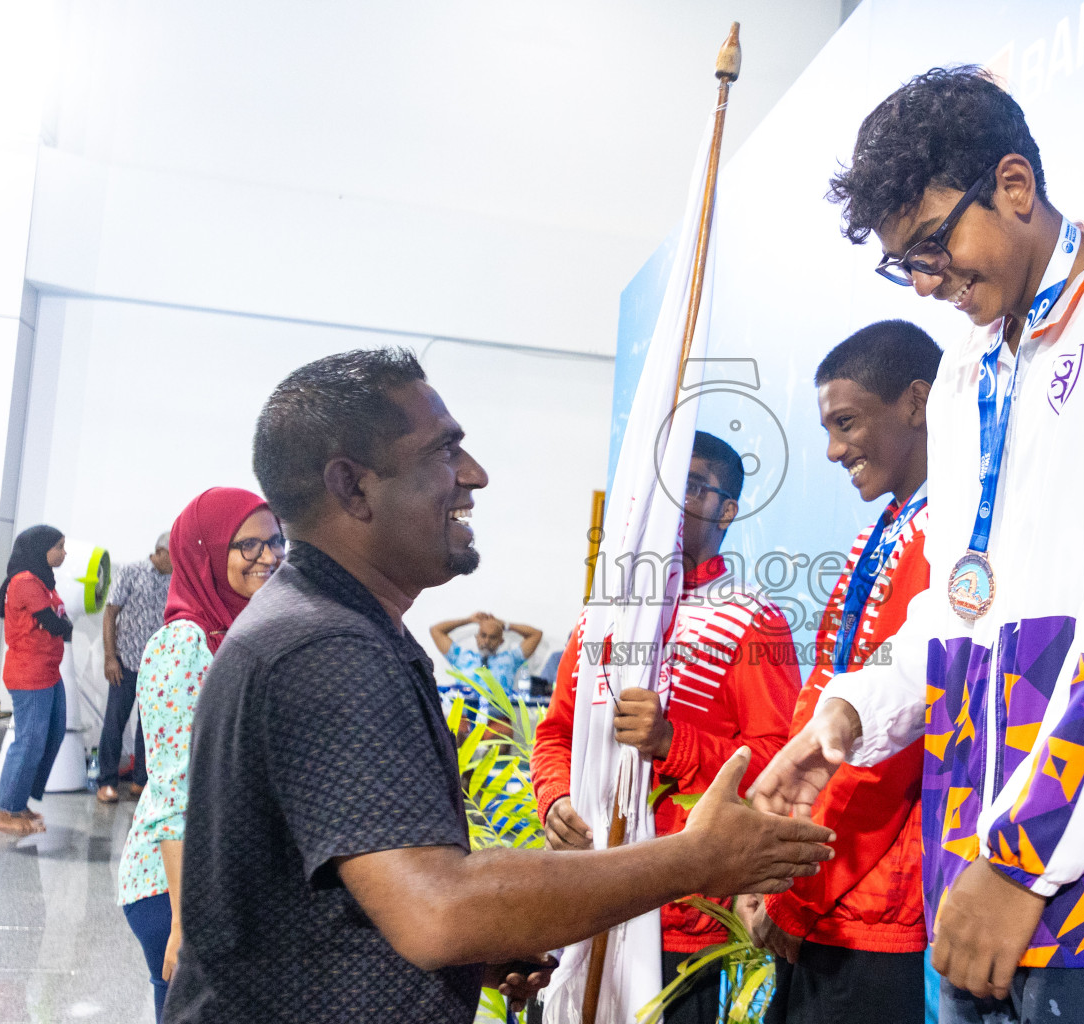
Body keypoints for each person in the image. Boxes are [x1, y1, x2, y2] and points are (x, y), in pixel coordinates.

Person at [750, 67, 1084, 1024]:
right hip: (977, 882)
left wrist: (1022, 858)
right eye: (905, 262)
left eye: (936, 245)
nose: (927, 281)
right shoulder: (961, 376)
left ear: (1015, 187)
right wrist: (848, 719)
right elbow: (958, 605)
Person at [163, 348, 834, 1024]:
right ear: (352, 487)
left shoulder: (341, 626)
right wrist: (692, 858)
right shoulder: (329, 647)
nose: (475, 475)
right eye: (445, 451)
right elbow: (439, 906)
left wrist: (476, 949)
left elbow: (357, 890)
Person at [533, 430, 803, 1024]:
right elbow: (557, 733)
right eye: (661, 485)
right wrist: (554, 798)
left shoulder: (753, 620)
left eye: (693, 486)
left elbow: (779, 757)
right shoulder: (603, 614)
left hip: (681, 910)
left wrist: (672, 742)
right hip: (585, 888)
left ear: (727, 509)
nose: (671, 501)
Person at [743, 321, 939, 1024]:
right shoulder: (883, 531)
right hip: (831, 893)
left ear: (916, 403)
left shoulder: (951, 536)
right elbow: (819, 711)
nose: (833, 450)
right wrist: (775, 864)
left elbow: (890, 750)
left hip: (879, 907)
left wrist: (796, 888)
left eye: (847, 423)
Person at [116, 490, 282, 1023]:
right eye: (247, 544)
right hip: (177, 886)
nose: (268, 556)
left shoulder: (246, 632)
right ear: (205, 552)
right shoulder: (184, 642)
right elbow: (175, 790)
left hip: (225, 878)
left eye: (275, 541)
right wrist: (186, 927)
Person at [0, 525, 72, 837]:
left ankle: (19, 802)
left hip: (48, 670)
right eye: (59, 547)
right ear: (42, 549)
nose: (64, 553)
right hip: (30, 673)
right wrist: (64, 627)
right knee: (28, 741)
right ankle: (6, 811)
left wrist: (63, 626)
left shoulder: (42, 580)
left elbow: (58, 624)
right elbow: (54, 623)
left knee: (52, 734)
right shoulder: (25, 581)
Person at [97, 531, 172, 802]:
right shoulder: (131, 572)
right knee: (115, 723)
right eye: (174, 555)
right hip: (125, 662)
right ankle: (106, 782)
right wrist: (110, 657)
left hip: (159, 666)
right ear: (160, 551)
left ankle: (141, 781)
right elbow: (110, 614)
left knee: (150, 726)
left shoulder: (178, 580)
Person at [429, 610, 543, 710]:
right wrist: (469, 620)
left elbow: (536, 634)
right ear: (477, 637)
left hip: (497, 715)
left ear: (501, 641)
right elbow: (436, 630)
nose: (487, 641)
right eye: (483, 635)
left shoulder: (510, 660)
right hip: (465, 713)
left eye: (493, 637)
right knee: (457, 730)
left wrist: (505, 625)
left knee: (501, 732)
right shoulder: (460, 657)